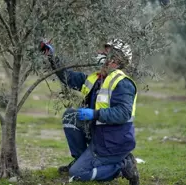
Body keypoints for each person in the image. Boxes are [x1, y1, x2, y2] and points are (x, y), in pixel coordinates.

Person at [40, 39, 140, 185]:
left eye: (105, 52)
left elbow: (123, 113)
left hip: (114, 143)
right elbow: (69, 78)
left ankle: (123, 167)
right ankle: (80, 160)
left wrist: (95, 114)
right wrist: (52, 58)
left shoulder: (123, 83)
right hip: (100, 137)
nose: (100, 54)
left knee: (77, 174)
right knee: (71, 116)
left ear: (116, 59)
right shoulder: (97, 78)